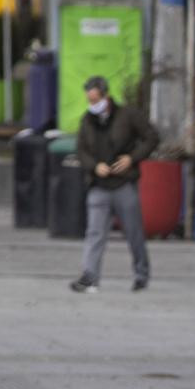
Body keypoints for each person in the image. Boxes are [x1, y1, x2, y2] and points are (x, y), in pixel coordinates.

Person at [70, 75, 159, 294]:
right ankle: (90, 277)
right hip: (99, 185)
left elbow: (151, 137)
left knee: (133, 232)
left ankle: (141, 274)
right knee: (95, 232)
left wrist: (132, 157)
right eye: (89, 101)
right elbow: (81, 151)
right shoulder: (87, 121)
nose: (92, 105)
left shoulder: (128, 116)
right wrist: (94, 166)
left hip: (123, 183)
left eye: (95, 100)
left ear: (106, 96)